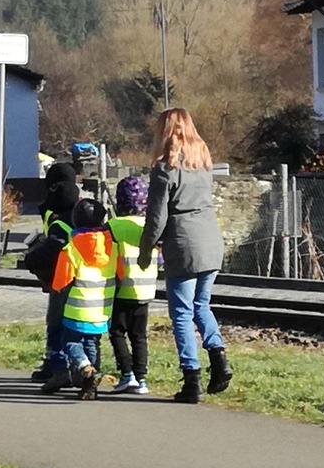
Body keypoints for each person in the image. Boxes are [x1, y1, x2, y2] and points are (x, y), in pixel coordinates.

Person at [137, 107, 232, 403]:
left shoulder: (165, 168)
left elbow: (157, 217)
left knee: (181, 313)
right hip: (211, 241)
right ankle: (219, 358)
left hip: (184, 244)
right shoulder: (203, 162)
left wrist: (145, 251)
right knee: (202, 305)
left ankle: (192, 380)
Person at [44, 198, 117, 400]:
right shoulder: (113, 248)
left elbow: (60, 283)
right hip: (102, 309)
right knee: (92, 343)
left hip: (77, 308)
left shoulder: (71, 249)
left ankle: (86, 369)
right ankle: (90, 386)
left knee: (71, 342)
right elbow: (119, 273)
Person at [23, 162, 79, 382]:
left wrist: (34, 258)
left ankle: (56, 366)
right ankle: (79, 368)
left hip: (60, 275)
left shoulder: (54, 211)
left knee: (56, 321)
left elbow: (53, 242)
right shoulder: (83, 209)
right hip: (85, 276)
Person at [107, 176, 157, 395]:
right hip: (146, 289)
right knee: (139, 335)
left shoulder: (112, 226)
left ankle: (127, 374)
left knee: (116, 331)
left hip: (120, 287)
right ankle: (142, 378)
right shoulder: (150, 227)